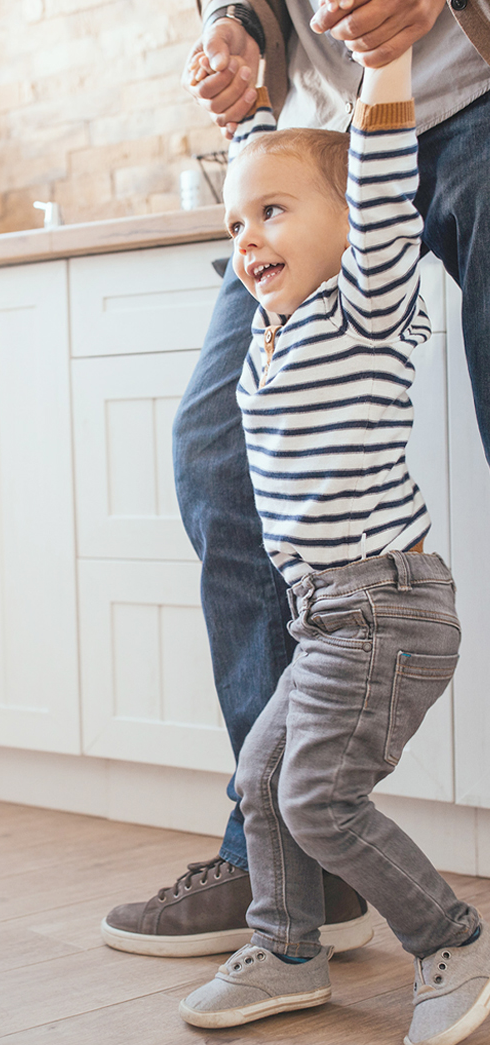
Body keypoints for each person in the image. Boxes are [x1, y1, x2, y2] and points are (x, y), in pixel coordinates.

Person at [102, 0, 490, 959]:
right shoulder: (271, 208)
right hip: (311, 146)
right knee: (217, 455)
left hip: (465, 98)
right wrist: (236, 32)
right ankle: (290, 868)